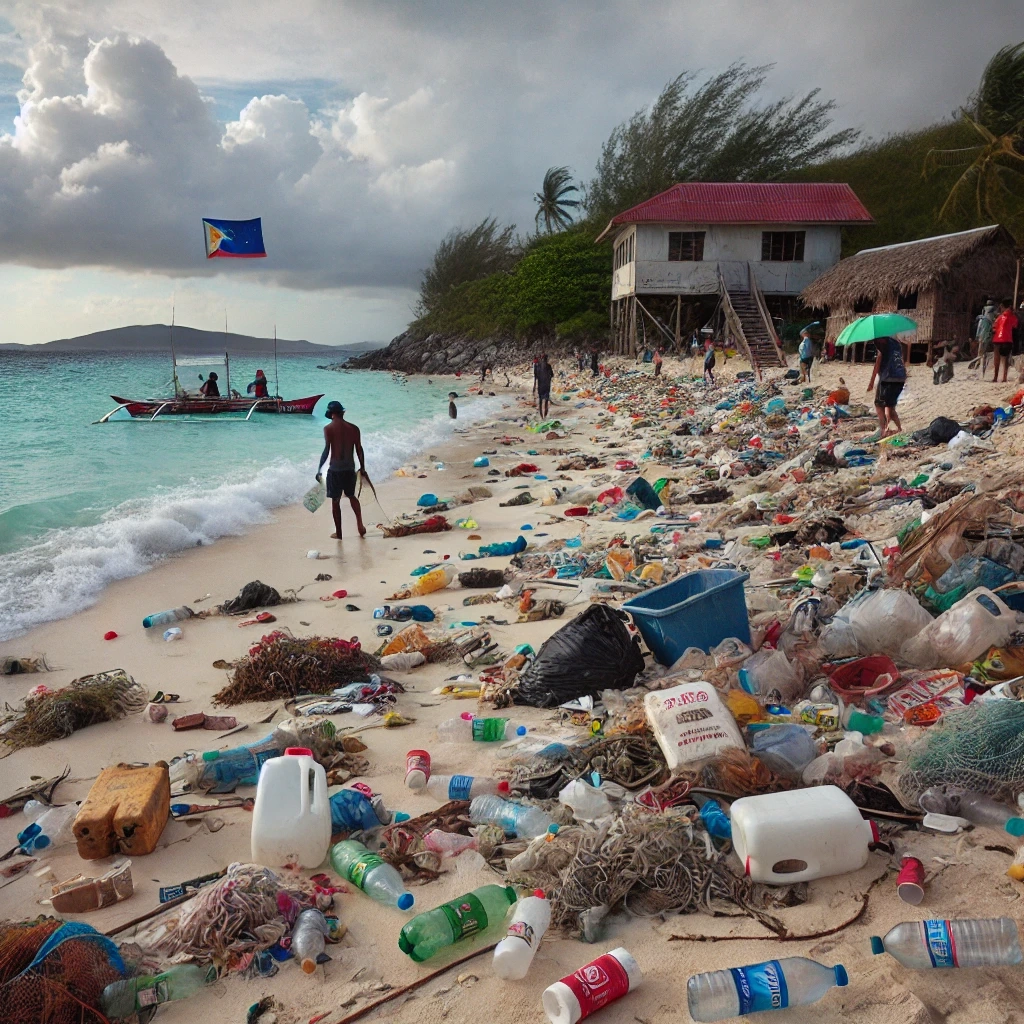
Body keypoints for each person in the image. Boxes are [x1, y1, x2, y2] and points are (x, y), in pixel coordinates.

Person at [315, 401, 366, 540]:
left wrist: (319, 469)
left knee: (335, 501)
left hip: (335, 470)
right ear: (342, 412)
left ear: (331, 414)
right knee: (351, 496)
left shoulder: (328, 429)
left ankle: (339, 532)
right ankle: (360, 525)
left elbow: (327, 450)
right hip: (349, 468)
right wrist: (363, 467)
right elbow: (359, 450)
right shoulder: (354, 428)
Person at [867, 335, 907, 438]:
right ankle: (899, 428)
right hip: (900, 377)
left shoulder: (883, 345)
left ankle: (883, 431)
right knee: (890, 406)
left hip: (888, 378)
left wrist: (871, 383)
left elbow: (877, 366)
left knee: (879, 405)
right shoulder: (897, 343)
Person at [992, 298, 1019, 383]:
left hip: (997, 339)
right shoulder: (1012, 316)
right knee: (1006, 359)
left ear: (1002, 306)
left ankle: (995, 377)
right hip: (1007, 339)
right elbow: (1015, 325)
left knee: (997, 358)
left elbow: (994, 328)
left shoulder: (999, 317)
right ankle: (1004, 377)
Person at [976, 299, 996, 373]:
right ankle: (981, 361)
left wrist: (977, 335)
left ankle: (978, 361)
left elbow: (979, 328)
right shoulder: (993, 311)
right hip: (987, 330)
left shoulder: (982, 315)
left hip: (981, 329)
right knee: (985, 347)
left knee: (980, 347)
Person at [536, 352, 553, 419]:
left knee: (540, 401)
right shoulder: (548, 366)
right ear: (546, 359)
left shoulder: (538, 366)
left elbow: (537, 376)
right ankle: (545, 416)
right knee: (546, 401)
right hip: (547, 385)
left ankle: (541, 416)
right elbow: (552, 375)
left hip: (540, 385)